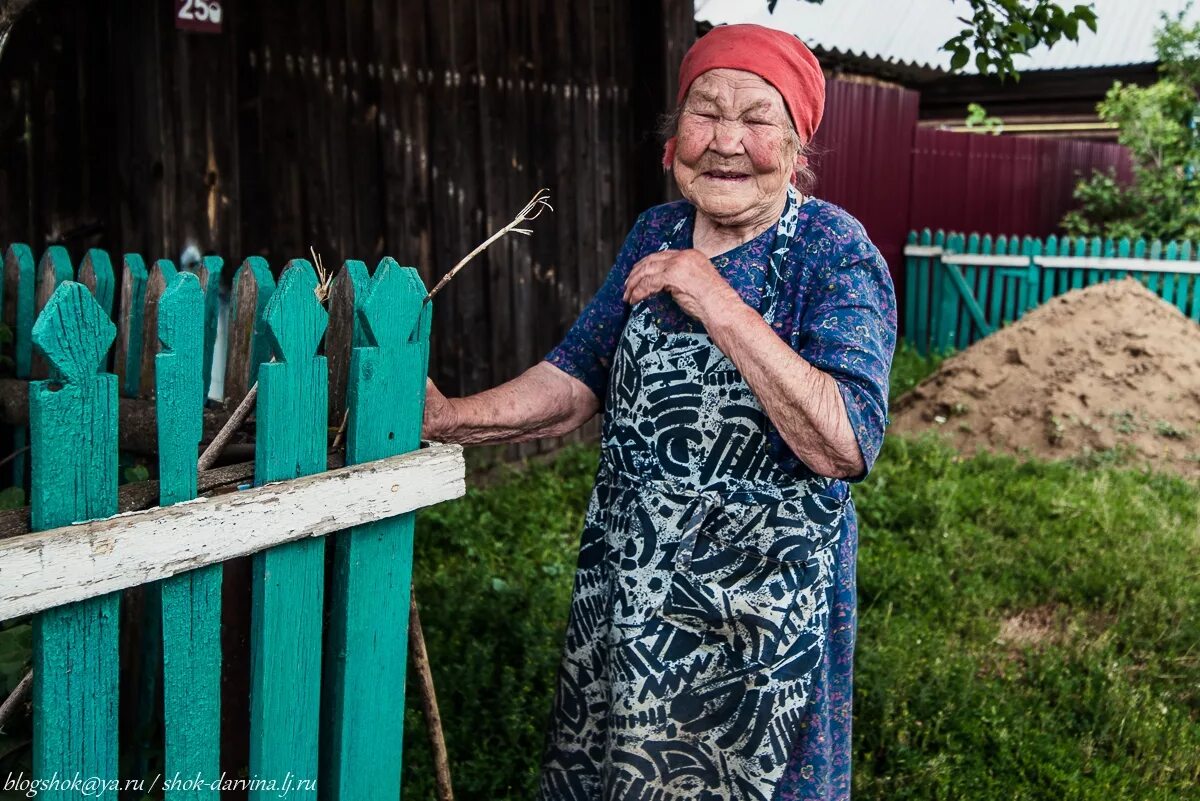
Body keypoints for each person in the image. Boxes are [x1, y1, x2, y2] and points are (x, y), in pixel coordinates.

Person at [422, 23, 897, 801]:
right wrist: (450, 418)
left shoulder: (834, 251)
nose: (726, 141)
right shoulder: (659, 230)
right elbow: (578, 376)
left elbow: (845, 441)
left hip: (760, 623)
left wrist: (712, 297)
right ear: (674, 138)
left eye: (756, 118)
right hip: (635, 597)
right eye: (705, 113)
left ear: (796, 147)